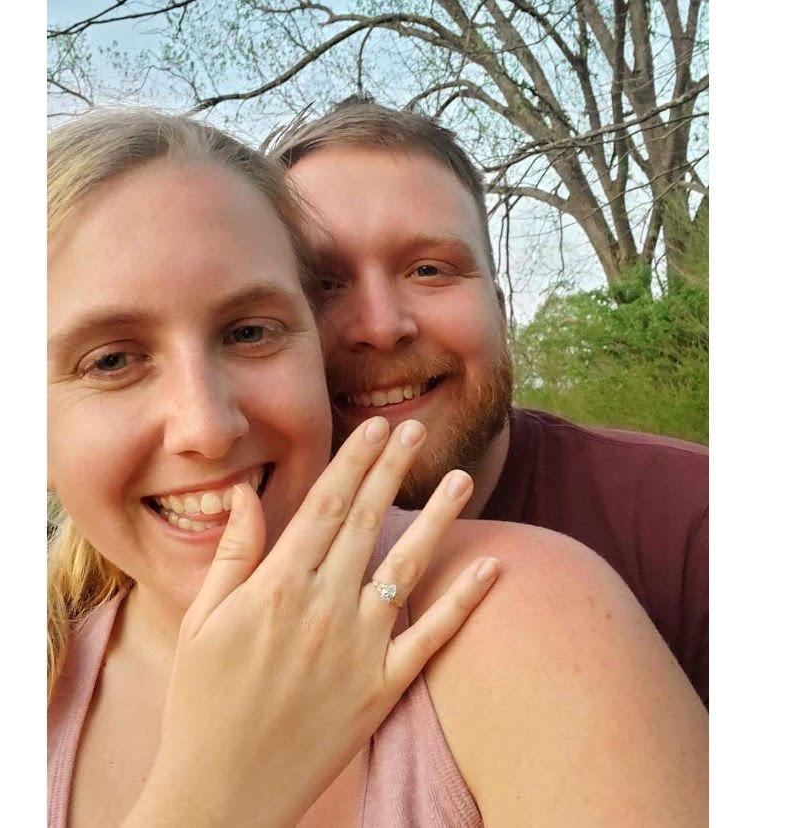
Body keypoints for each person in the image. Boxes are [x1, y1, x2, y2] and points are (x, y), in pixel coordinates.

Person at [48, 109, 707, 827]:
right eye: (110, 361)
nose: (207, 427)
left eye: (247, 331)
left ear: (502, 301)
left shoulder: (621, 557)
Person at [267, 97, 710, 706]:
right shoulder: (229, 562)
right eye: (322, 284)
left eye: (428, 269)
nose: (380, 325)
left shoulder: (693, 522)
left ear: (500, 310)